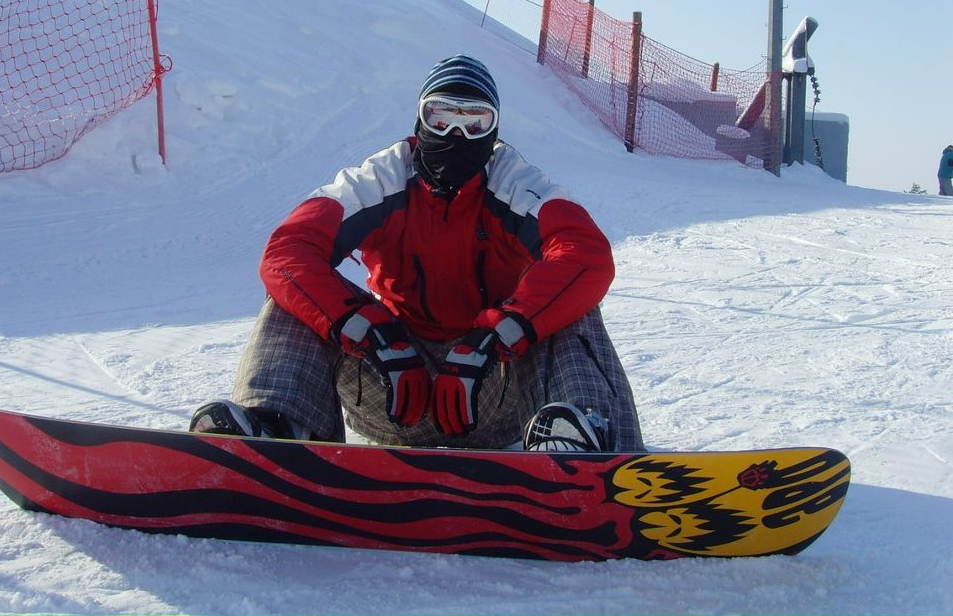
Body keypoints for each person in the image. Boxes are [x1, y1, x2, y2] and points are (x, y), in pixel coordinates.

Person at [191, 55, 644, 452]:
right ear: (419, 120)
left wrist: (495, 334)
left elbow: (586, 255)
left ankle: (585, 446)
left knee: (568, 303)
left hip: (492, 393)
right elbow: (287, 251)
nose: (458, 134)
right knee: (293, 297)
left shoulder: (515, 183)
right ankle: (274, 433)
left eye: (475, 121)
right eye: (441, 117)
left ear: (495, 129)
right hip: (392, 388)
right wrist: (372, 333)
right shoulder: (380, 179)